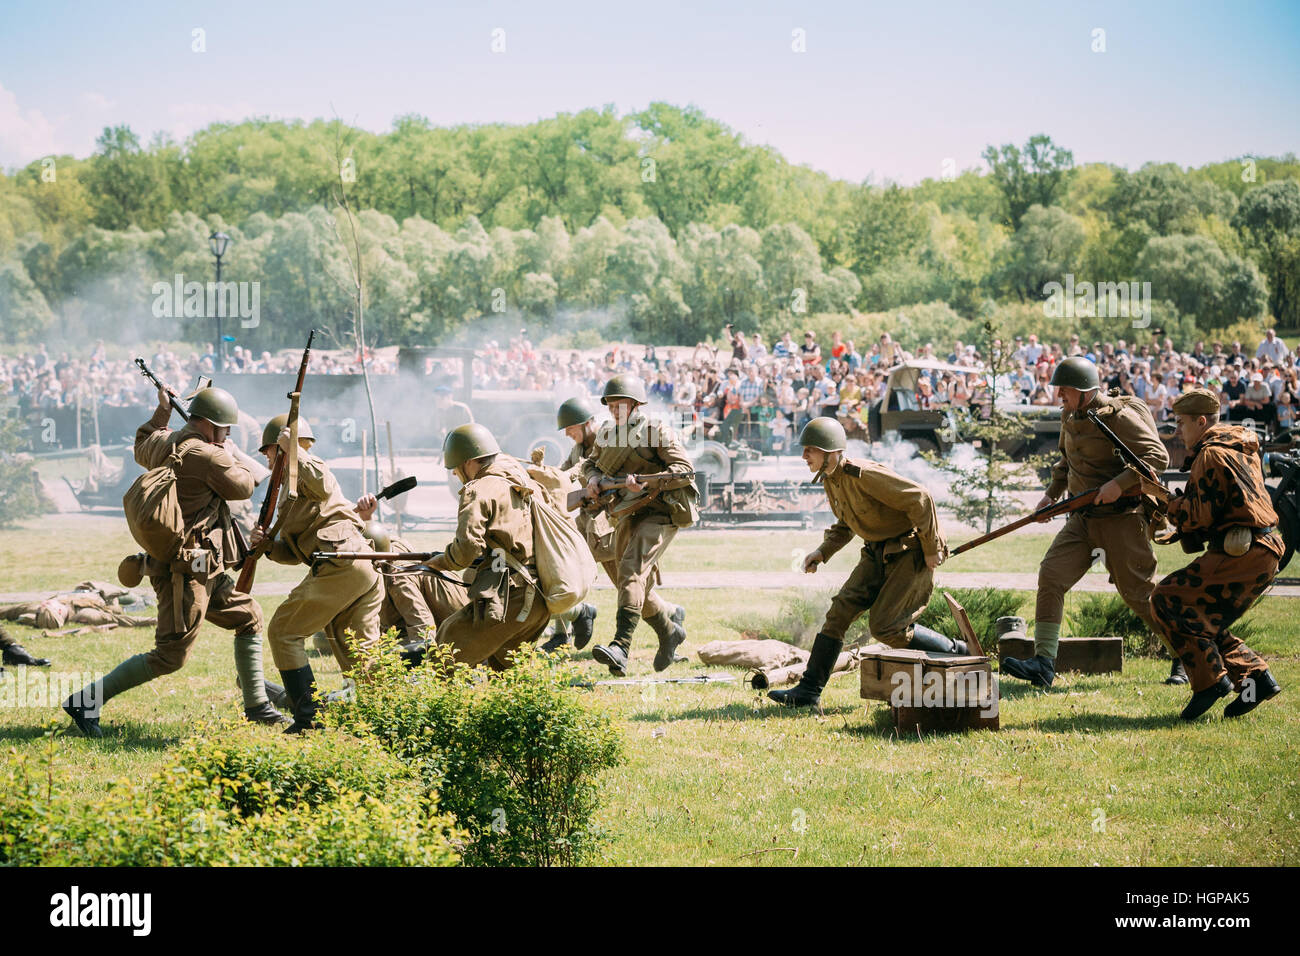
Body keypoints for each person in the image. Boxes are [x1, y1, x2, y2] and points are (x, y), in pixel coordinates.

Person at [62, 387, 288, 738]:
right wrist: (232, 453)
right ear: (212, 427)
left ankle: (257, 706)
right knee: (170, 656)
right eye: (226, 430)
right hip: (186, 572)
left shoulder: (166, 442)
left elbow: (143, 440)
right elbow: (245, 486)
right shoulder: (209, 455)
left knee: (249, 616)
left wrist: (162, 411)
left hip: (202, 567)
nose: (228, 436)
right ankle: (85, 701)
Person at [1001, 357, 1177, 689]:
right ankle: (1043, 663)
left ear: (1083, 391)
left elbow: (1158, 456)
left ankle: (1185, 655)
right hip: (1082, 518)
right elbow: (1067, 460)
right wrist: (1051, 495)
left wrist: (1119, 484)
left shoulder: (1118, 417)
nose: (1058, 397)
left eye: (1064, 391)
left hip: (1122, 518)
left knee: (1140, 594)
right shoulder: (1071, 414)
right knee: (1051, 575)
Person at [768, 418, 964, 709]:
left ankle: (956, 653)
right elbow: (847, 524)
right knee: (838, 614)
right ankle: (809, 691)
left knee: (887, 627)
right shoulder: (831, 479)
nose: (803, 456)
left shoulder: (864, 475)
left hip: (908, 552)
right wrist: (822, 552)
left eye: (810, 450)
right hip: (875, 553)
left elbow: (920, 498)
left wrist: (931, 547)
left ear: (830, 452)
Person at [1149, 388, 1283, 719]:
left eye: (1182, 423)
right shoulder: (1239, 447)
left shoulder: (1210, 455)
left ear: (1202, 421)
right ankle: (1256, 679)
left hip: (1244, 552)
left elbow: (1198, 516)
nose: (1178, 430)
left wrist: (1166, 502)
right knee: (1201, 616)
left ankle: (1209, 683)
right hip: (1262, 549)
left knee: (1166, 599)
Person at [249, 413, 383, 732]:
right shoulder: (285, 492)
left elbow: (322, 484)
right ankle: (380, 719)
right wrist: (267, 544)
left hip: (342, 564)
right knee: (360, 654)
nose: (265, 457)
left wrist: (293, 449)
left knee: (283, 630)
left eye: (269, 450)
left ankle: (309, 718)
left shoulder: (310, 469)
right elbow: (293, 554)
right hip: (352, 566)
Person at [581, 375, 694, 676]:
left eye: (620, 405)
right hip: (627, 511)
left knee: (631, 570)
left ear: (634, 405)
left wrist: (645, 483)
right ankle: (669, 631)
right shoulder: (607, 434)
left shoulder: (656, 430)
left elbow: (684, 470)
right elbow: (590, 463)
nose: (615, 410)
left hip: (661, 510)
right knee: (628, 582)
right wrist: (592, 479)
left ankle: (621, 647)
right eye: (611, 405)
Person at [423, 424, 553, 668]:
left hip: (509, 598)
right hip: (537, 599)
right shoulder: (519, 479)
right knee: (506, 673)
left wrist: (441, 561)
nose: (454, 474)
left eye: (456, 467)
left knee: (444, 654)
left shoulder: (479, 489)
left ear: (470, 461)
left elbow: (466, 549)